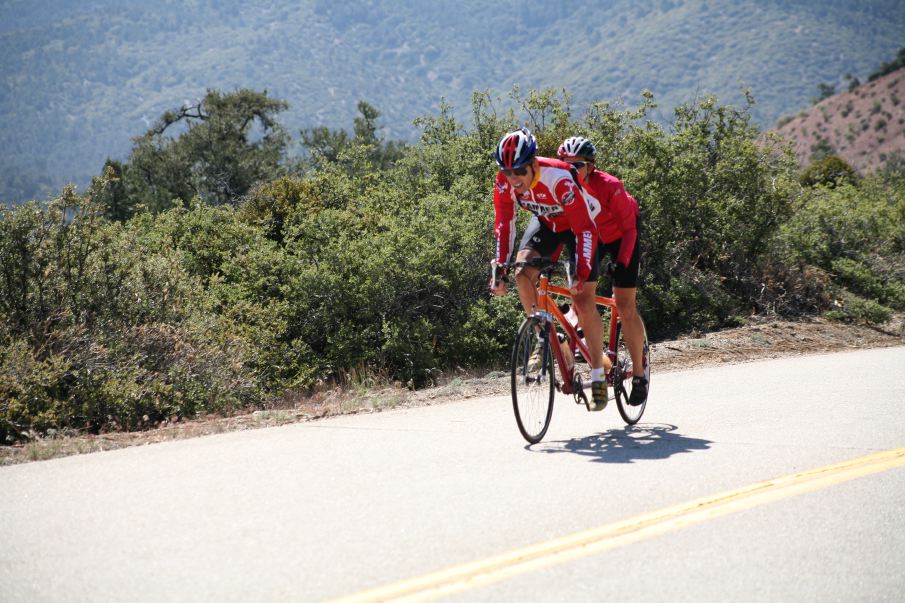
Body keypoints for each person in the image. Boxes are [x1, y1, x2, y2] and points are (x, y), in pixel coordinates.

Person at [489, 128, 611, 411]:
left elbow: (584, 228)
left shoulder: (559, 179)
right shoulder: (505, 182)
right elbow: (504, 223)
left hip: (582, 227)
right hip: (548, 224)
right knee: (522, 272)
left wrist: (581, 270)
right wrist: (500, 267)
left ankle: (598, 373)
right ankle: (546, 337)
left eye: (519, 170)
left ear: (534, 163)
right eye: (507, 172)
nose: (513, 178)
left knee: (582, 300)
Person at [557, 135, 648, 406]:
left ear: (591, 166)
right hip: (589, 238)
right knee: (580, 297)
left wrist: (621, 261)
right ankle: (595, 354)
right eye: (565, 164)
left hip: (622, 235)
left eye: (578, 165)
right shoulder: (560, 187)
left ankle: (640, 375)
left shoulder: (610, 186)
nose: (571, 170)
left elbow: (630, 228)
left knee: (624, 304)